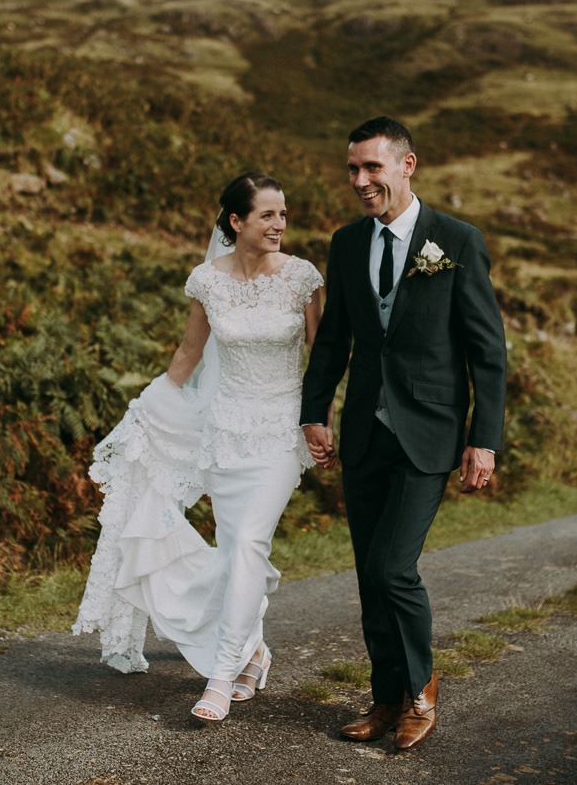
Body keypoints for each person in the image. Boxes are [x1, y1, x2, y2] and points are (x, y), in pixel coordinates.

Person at [73, 172, 324, 723]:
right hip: (225, 432)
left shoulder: (303, 277)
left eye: (283, 214)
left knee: (251, 541)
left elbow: (321, 356)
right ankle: (256, 652)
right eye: (267, 215)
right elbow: (190, 351)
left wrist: (322, 422)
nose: (279, 224)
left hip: (281, 432)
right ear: (236, 222)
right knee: (237, 551)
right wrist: (147, 406)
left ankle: (221, 672)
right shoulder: (207, 281)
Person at [300, 116, 506, 750]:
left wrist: (484, 438)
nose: (361, 181)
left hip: (429, 431)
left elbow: (486, 349)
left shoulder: (457, 240)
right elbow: (334, 338)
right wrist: (314, 411)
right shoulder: (345, 241)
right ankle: (387, 698)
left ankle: (422, 690)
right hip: (365, 430)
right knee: (368, 572)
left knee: (394, 567)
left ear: (407, 165)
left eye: (372, 168)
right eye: (353, 170)